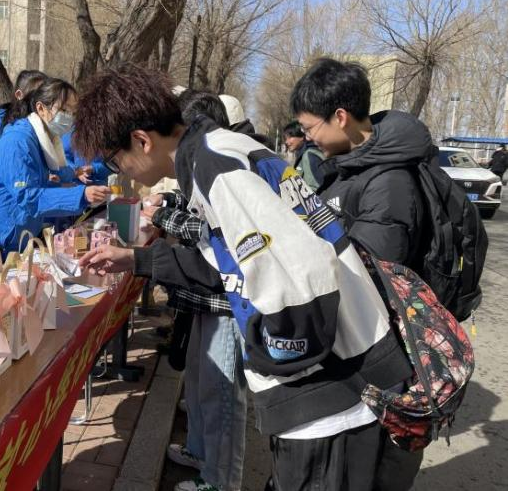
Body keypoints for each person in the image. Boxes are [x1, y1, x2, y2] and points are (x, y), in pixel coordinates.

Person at [73, 63, 416, 491]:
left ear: (142, 140)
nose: (119, 170)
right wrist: (137, 259)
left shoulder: (215, 168)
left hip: (331, 389)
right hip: (334, 376)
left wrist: (266, 355)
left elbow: (304, 275)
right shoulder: (214, 150)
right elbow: (229, 266)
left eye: (114, 158)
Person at [143, 90, 247, 491]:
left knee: (222, 396)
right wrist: (170, 201)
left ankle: (220, 482)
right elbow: (193, 208)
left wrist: (163, 216)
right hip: (206, 299)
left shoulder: (225, 167)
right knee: (203, 385)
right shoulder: (204, 161)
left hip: (226, 301)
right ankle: (201, 452)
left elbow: (208, 233)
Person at [291, 58, 428, 270]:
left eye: (308, 128)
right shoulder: (345, 166)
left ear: (340, 118)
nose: (307, 137)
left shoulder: (388, 183)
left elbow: (368, 273)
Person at [0, 78, 110, 253]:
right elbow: (29, 197)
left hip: (10, 241)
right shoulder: (18, 142)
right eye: (64, 110)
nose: (69, 118)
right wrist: (81, 195)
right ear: (41, 108)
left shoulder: (44, 141)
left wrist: (72, 177)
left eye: (73, 113)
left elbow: (49, 174)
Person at [282, 121, 324, 192]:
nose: (286, 142)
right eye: (285, 139)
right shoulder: (305, 153)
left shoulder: (308, 155)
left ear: (301, 136)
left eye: (290, 137)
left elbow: (313, 188)